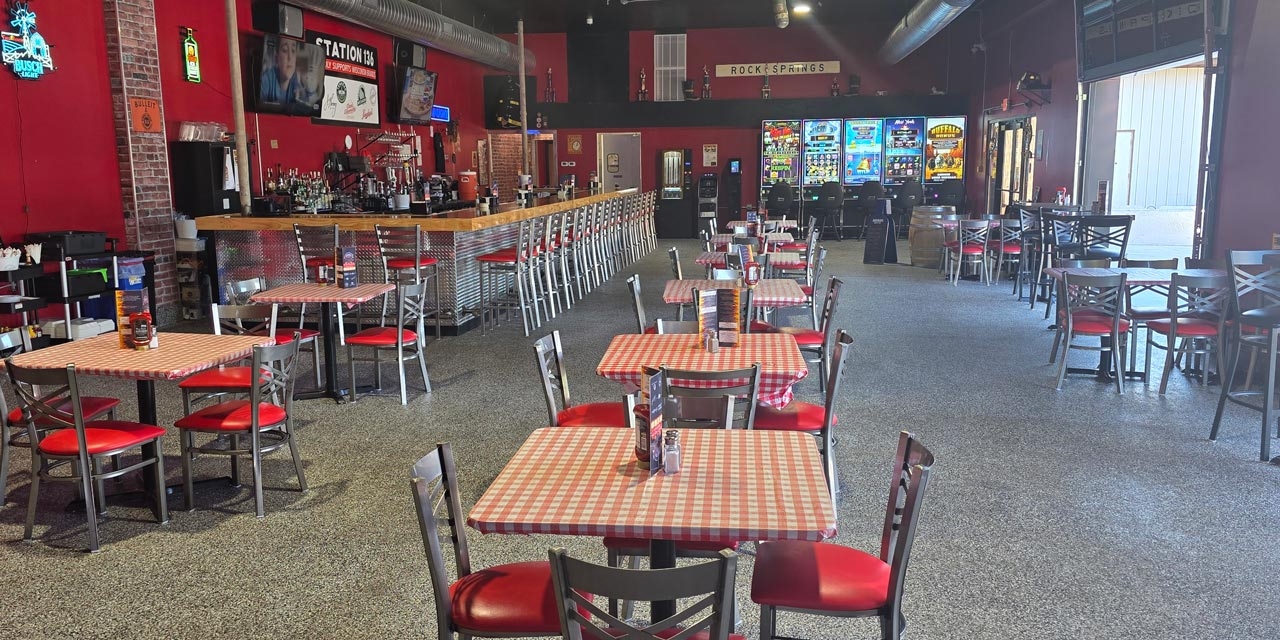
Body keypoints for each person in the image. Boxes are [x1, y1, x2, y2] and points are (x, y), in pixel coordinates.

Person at [260, 37, 301, 107]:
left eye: (293, 50)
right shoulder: (266, 80)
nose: (290, 57)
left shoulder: (296, 79)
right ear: (276, 58)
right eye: (285, 50)